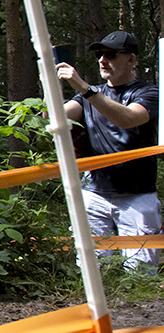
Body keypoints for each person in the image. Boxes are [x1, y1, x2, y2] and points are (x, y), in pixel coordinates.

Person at [56, 30, 160, 272]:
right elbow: (54, 117)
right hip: (93, 194)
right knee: (91, 271)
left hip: (137, 196)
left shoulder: (149, 93)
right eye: (100, 55)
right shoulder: (87, 96)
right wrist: (50, 85)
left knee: (140, 275)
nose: (103, 60)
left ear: (131, 59)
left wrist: (85, 89)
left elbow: (128, 118)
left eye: (111, 54)